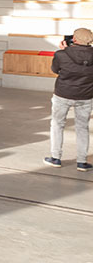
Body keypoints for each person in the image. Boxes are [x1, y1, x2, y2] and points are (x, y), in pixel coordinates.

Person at [44, 28, 93, 171]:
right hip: (85, 96)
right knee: (82, 128)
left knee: (57, 125)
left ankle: (55, 158)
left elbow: (55, 70)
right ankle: (82, 162)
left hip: (63, 94)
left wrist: (65, 51)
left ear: (75, 40)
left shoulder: (61, 54)